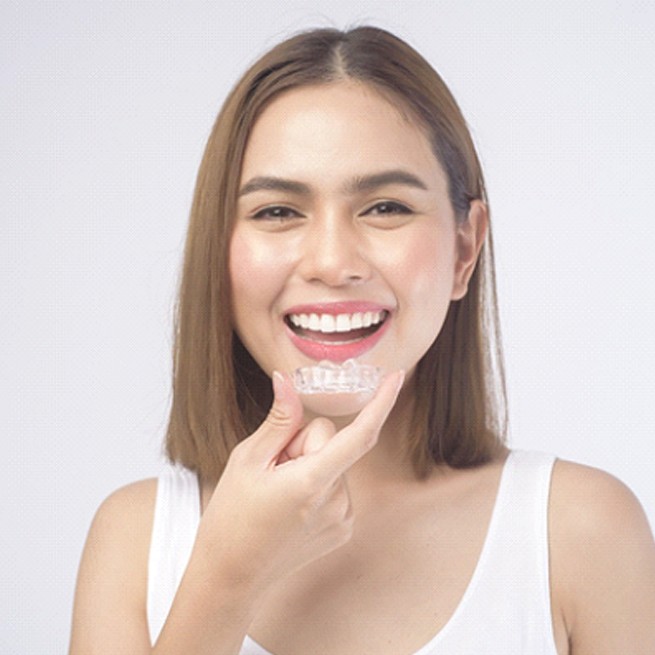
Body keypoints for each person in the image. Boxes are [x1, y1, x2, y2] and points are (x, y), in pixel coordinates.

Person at [69, 26, 655, 655]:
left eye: (385, 208)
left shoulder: (583, 532)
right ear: (218, 250)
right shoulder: (134, 540)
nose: (331, 261)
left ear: (464, 249)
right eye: (277, 212)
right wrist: (225, 580)